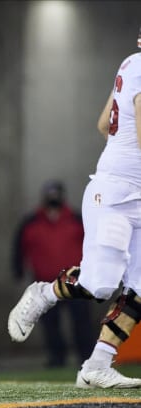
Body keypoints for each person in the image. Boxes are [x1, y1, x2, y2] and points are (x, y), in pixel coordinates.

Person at [8, 34, 141, 389]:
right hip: (117, 195)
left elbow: (104, 125)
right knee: (100, 284)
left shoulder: (131, 63)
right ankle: (44, 294)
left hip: (130, 188)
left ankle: (97, 365)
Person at [12, 180, 94, 368]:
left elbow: (91, 246)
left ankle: (86, 358)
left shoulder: (76, 219)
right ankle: (57, 358)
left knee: (81, 322)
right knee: (50, 324)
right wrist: (18, 269)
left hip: (76, 281)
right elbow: (19, 248)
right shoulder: (30, 221)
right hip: (45, 282)